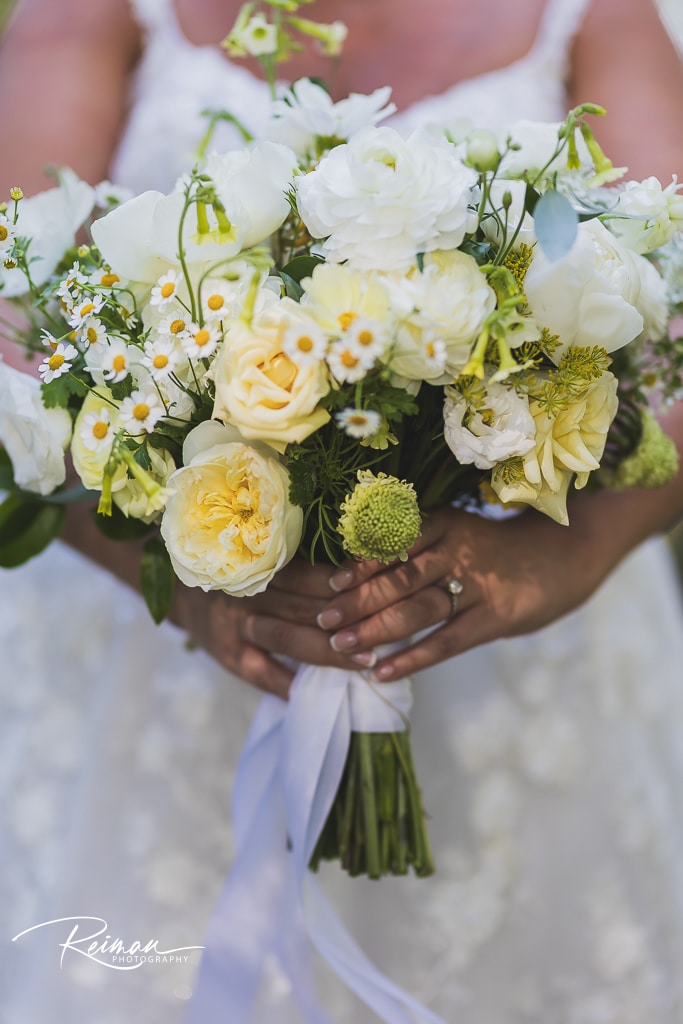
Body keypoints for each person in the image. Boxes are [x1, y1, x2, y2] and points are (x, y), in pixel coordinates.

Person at [1, 0, 683, 1021]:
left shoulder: (597, 16)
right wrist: (188, 584)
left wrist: (565, 557)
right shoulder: (93, 13)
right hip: (162, 662)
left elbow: (672, 340)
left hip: (515, 660)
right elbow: (14, 347)